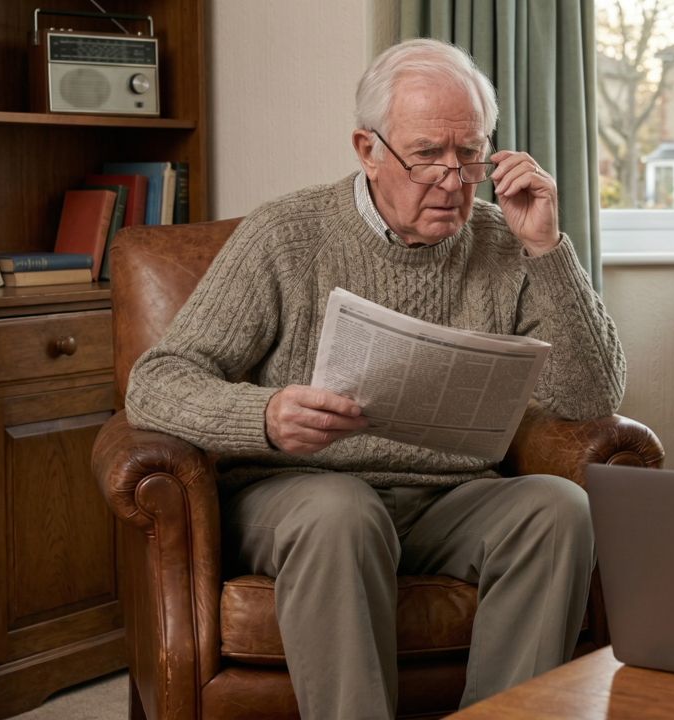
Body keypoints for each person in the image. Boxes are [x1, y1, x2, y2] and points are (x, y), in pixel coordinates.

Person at [125, 38, 626, 719]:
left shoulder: (507, 240)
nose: (452, 180)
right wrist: (264, 415)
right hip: (299, 497)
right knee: (342, 513)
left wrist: (545, 247)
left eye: (470, 154)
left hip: (447, 500)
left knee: (560, 510)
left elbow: (592, 397)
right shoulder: (287, 235)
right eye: (427, 155)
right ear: (368, 149)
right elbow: (156, 380)